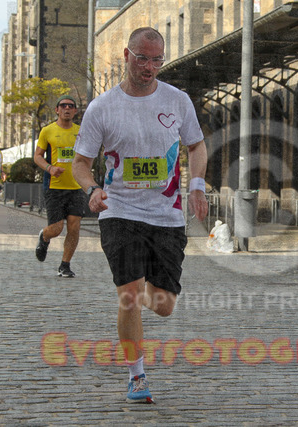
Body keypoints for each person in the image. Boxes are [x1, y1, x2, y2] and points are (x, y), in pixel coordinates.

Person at [72, 27, 208, 404]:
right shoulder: (102, 107)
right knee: (129, 295)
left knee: (163, 306)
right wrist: (92, 189)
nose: (149, 67)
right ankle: (137, 375)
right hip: (119, 210)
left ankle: (145, 286)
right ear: (126, 56)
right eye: (142, 58)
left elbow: (197, 145)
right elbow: (80, 163)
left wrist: (197, 184)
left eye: (156, 60)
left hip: (166, 214)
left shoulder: (177, 100)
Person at [33, 94, 85, 278]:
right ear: (57, 110)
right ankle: (44, 236)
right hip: (54, 186)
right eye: (63, 106)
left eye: (71, 106)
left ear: (75, 111)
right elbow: (37, 156)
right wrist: (50, 168)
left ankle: (65, 265)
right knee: (56, 229)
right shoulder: (47, 131)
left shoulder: (81, 131)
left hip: (76, 186)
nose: (67, 108)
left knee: (74, 227)